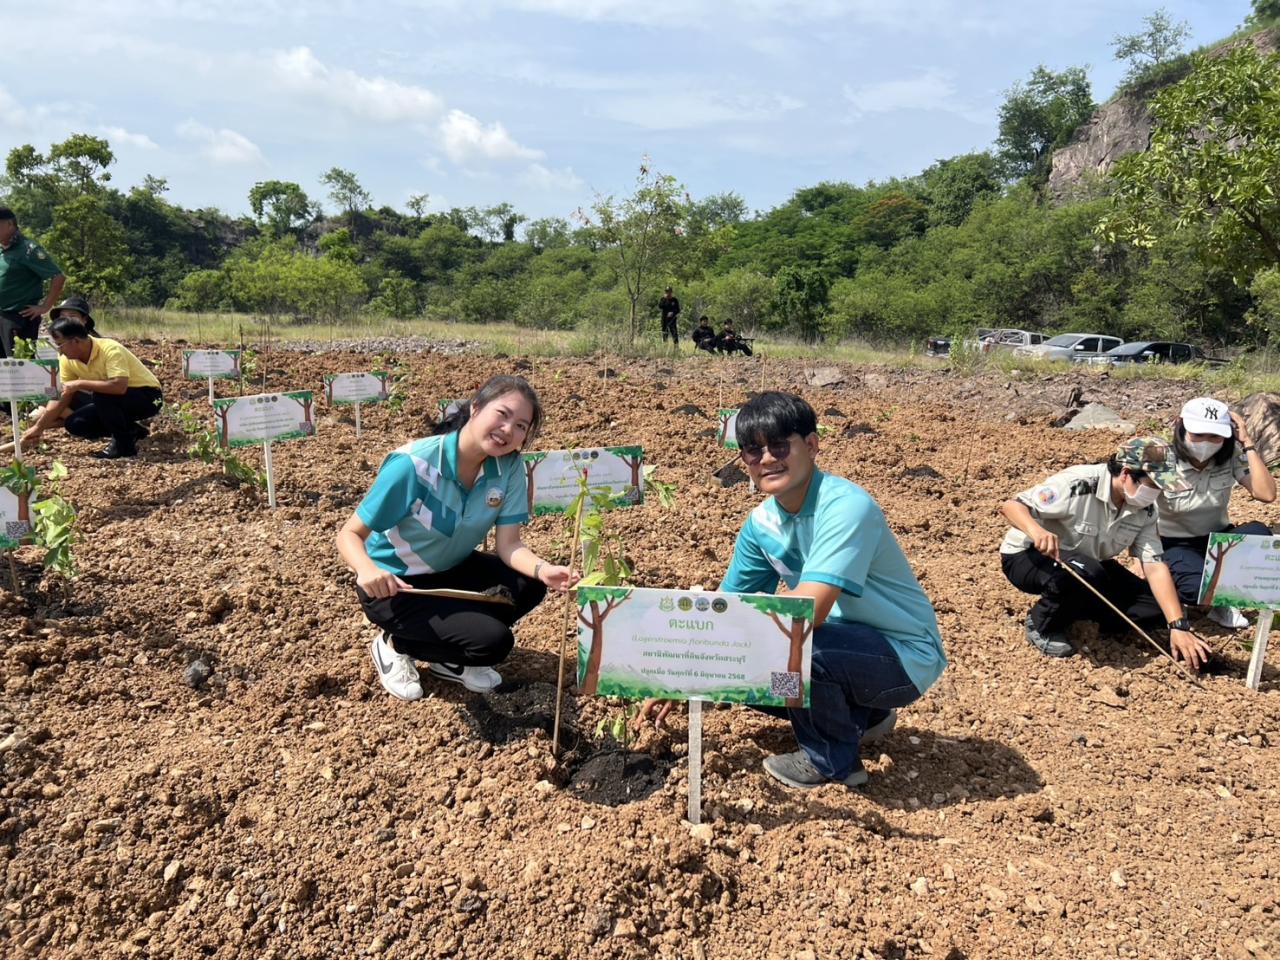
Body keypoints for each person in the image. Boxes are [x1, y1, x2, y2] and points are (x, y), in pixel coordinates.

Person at [638, 392, 947, 790]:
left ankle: (833, 760)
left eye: (780, 445)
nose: (766, 459)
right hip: (842, 650)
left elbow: (806, 614)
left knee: (787, 649)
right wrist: (686, 674)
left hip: (902, 656)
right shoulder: (760, 525)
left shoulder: (847, 507)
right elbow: (728, 608)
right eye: (753, 451)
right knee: (741, 663)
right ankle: (864, 716)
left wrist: (725, 656)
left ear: (812, 445)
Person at [336, 375, 577, 701]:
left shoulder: (508, 468)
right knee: (493, 643)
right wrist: (367, 570)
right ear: (475, 408)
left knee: (529, 583)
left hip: (451, 570)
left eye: (521, 425)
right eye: (502, 415)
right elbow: (349, 534)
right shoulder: (414, 465)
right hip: (396, 585)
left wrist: (543, 570)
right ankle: (393, 644)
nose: (509, 430)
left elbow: (510, 546)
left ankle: (449, 656)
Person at [999, 437, 1212, 670]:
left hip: (1090, 564)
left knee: (1154, 610)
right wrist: (1037, 531)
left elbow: (1155, 566)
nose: (1157, 493)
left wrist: (1177, 624)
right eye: (1154, 485)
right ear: (1126, 474)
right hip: (1031, 556)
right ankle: (1042, 624)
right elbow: (1012, 506)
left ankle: (1077, 609)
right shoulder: (1079, 483)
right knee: (1087, 573)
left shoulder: (1146, 511)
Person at [1158, 397, 1276, 629]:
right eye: (1198, 434)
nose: (1206, 443)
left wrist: (1248, 443)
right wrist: (1143, 557)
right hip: (1177, 544)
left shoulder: (1229, 457)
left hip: (1219, 541)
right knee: (1195, 589)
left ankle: (1221, 595)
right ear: (1180, 425)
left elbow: (1266, 494)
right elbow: (1139, 509)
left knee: (1260, 535)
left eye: (1215, 436)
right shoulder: (1163, 462)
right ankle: (1211, 595)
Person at [22, 317, 162, 459]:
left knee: (102, 395)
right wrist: (38, 427)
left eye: (60, 345)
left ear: (75, 341)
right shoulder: (67, 360)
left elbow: (119, 387)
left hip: (147, 397)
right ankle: (132, 431)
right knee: (75, 424)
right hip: (112, 400)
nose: (60, 352)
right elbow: (62, 395)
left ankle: (123, 446)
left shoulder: (110, 349)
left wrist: (79, 383)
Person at [0, 207, 65, 358]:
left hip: (18, 317)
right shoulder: (3, 249)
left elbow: (58, 276)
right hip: (1, 316)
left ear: (10, 224)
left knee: (19, 365)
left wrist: (45, 306)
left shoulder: (28, 250)